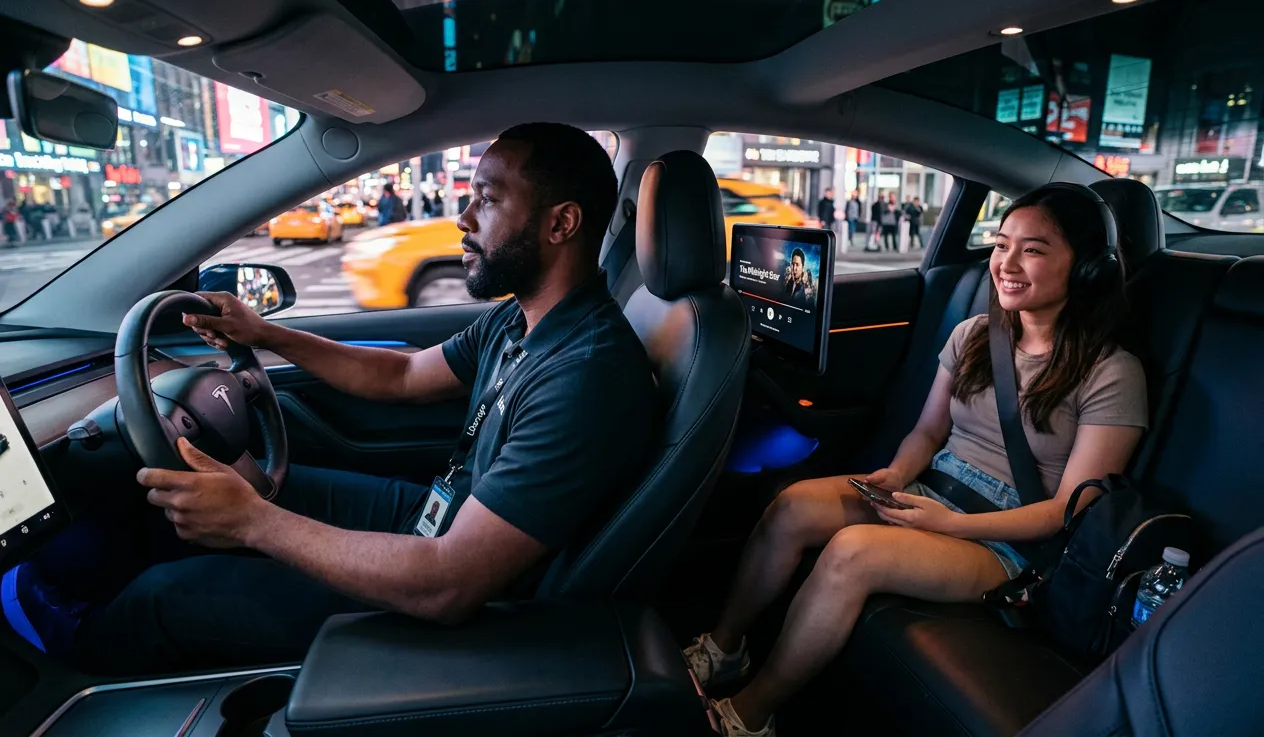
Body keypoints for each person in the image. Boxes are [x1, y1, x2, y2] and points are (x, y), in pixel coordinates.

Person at [3, 123, 659, 675]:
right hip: (433, 517)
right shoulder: (522, 320)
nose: (461, 219)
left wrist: (251, 523)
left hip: (471, 601)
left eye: (486, 200)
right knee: (245, 484)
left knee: (164, 596)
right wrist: (264, 333)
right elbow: (401, 377)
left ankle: (62, 671)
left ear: (561, 223)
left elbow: (448, 584)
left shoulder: (587, 373)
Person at [684, 184, 1148, 736]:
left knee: (853, 552)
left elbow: (1064, 514)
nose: (1007, 263)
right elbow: (928, 431)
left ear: (1089, 269)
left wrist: (953, 524)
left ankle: (750, 715)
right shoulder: (975, 335)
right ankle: (724, 648)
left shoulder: (1112, 373)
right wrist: (898, 475)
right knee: (792, 506)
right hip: (934, 493)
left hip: (1011, 541)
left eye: (1035, 249)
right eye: (1001, 245)